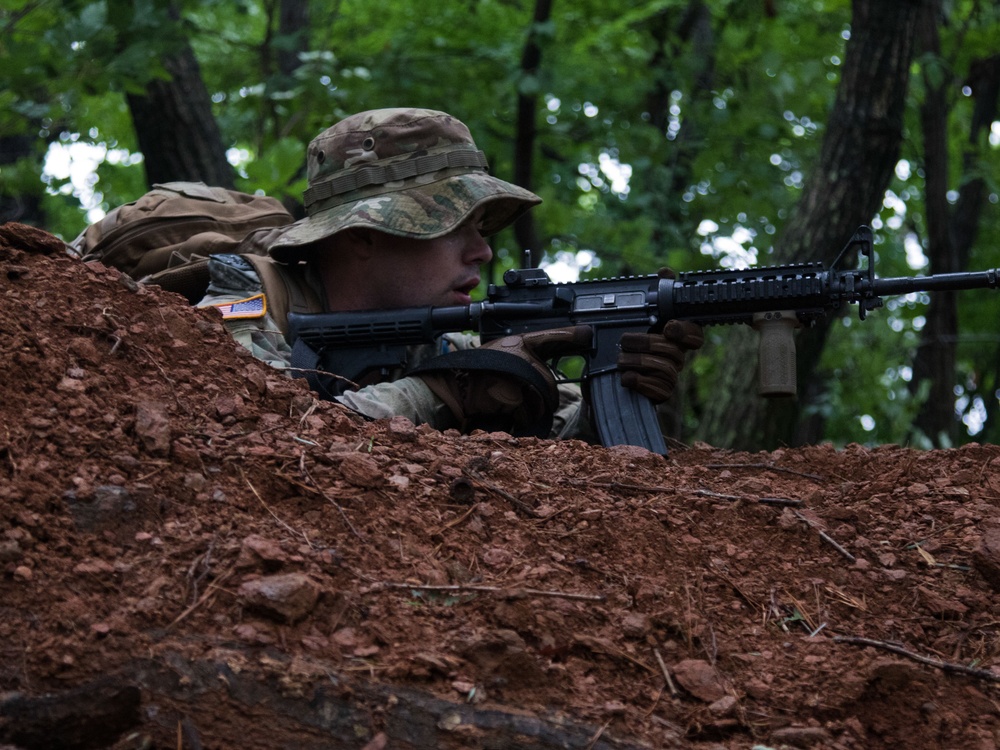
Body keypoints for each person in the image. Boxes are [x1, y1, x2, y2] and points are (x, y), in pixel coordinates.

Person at [198, 107, 703, 441]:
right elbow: (256, 431)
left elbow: (557, 461)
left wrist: (608, 393)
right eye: (454, 225)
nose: (483, 251)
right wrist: (443, 393)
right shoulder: (250, 293)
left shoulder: (447, 347)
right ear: (363, 235)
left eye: (482, 227)